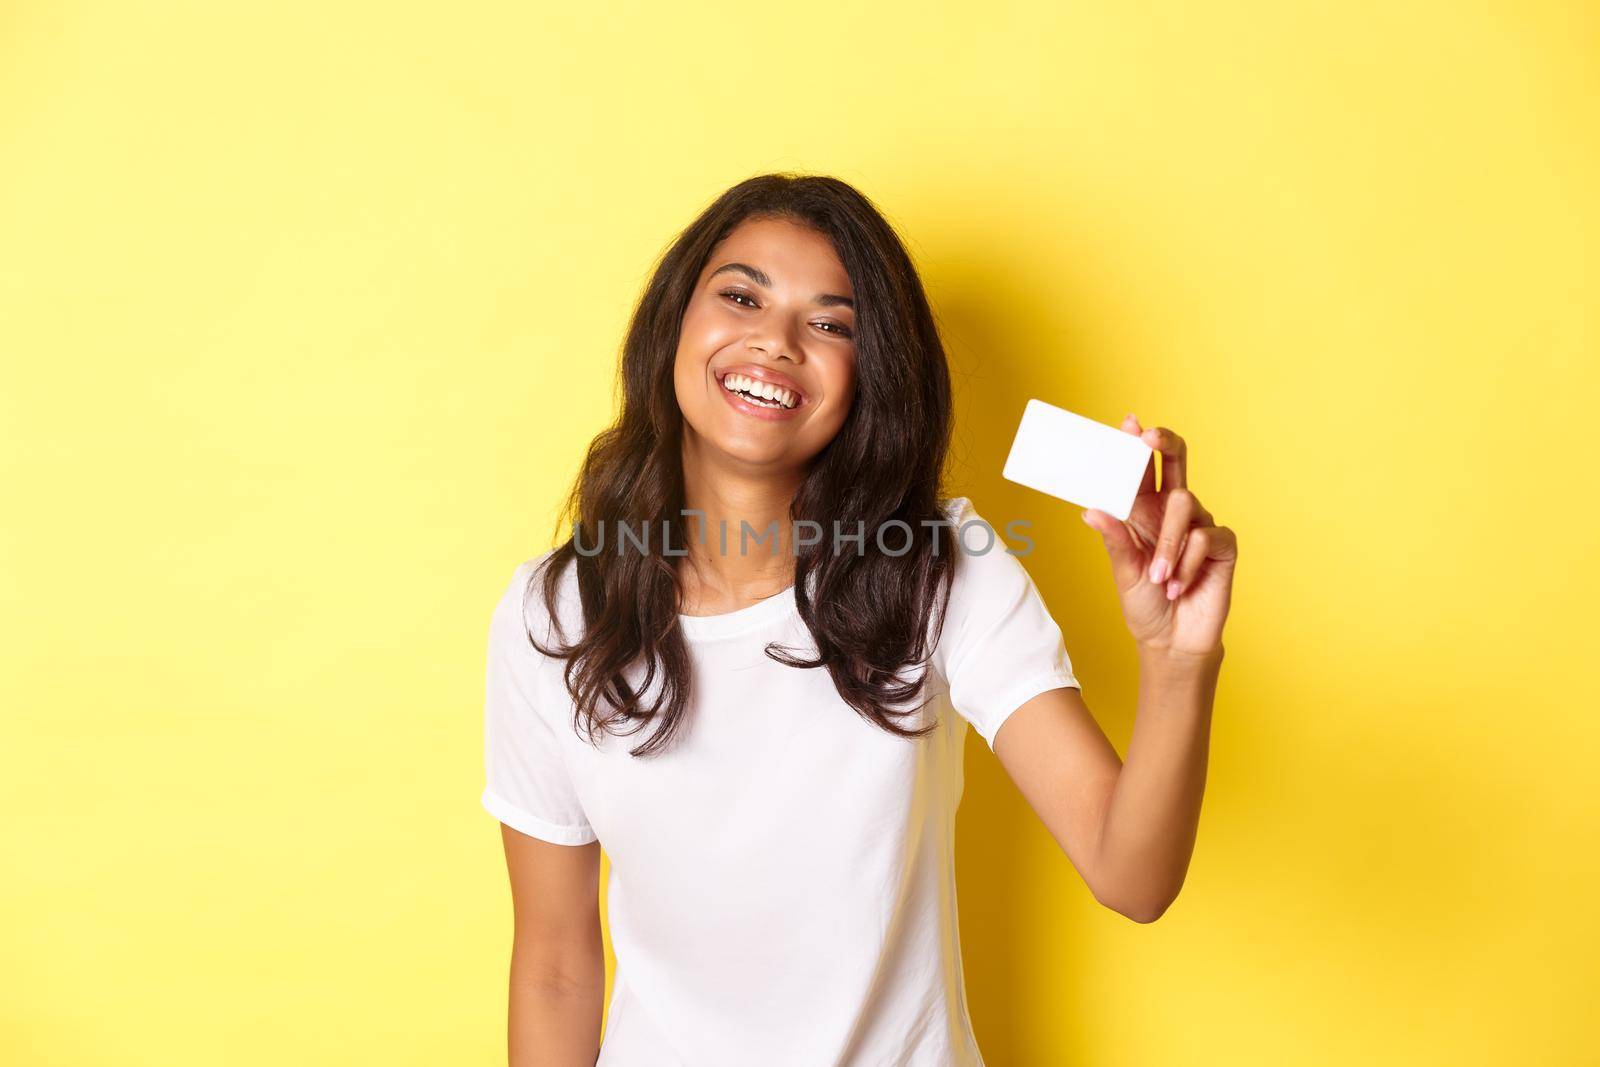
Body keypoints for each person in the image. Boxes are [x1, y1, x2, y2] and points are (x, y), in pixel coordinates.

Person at [480, 173, 1238, 1066]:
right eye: (740, 295)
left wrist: (1175, 658)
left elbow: (1133, 875)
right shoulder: (553, 613)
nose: (776, 341)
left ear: (869, 378)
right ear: (672, 326)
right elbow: (556, 968)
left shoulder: (941, 565)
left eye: (832, 323)